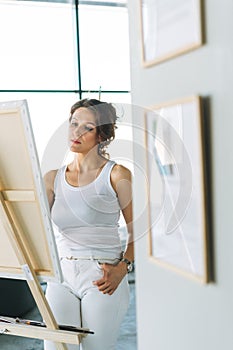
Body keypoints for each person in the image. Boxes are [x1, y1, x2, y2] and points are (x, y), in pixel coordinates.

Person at [43, 98, 134, 350]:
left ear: (102, 135)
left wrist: (123, 268)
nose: (77, 132)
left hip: (102, 276)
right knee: (57, 347)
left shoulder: (117, 175)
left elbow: (139, 230)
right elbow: (33, 225)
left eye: (87, 127)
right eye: (74, 124)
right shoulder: (52, 179)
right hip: (61, 275)